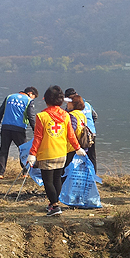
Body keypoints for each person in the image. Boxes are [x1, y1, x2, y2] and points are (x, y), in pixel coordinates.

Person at [26, 85, 86, 216]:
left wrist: (32, 154)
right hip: (61, 153)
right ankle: (53, 203)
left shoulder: (42, 116)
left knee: (48, 181)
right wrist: (78, 148)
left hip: (47, 154)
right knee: (57, 179)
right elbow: (71, 135)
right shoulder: (66, 115)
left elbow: (38, 138)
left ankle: (55, 205)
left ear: (46, 99)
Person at [0, 87, 38, 179]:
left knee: (3, 150)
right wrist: (35, 130)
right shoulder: (29, 100)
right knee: (24, 150)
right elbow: (31, 117)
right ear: (30, 93)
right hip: (19, 129)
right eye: (34, 97)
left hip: (6, 127)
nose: (33, 99)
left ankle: (0, 173)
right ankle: (25, 172)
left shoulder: (9, 97)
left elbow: (0, 111)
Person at [65, 88, 98, 172]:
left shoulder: (72, 110)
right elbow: (95, 116)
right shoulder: (87, 104)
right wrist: (90, 126)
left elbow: (70, 127)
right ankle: (93, 174)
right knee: (91, 155)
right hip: (91, 132)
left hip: (80, 135)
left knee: (77, 156)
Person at [62, 94, 87, 173]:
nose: (67, 104)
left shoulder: (72, 115)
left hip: (71, 147)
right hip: (81, 145)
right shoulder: (81, 114)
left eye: (69, 103)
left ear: (73, 104)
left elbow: (71, 131)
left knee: (65, 171)